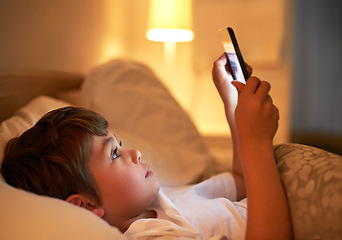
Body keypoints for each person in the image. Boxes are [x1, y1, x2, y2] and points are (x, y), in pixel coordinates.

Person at [1, 54, 292, 239]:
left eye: (121, 145)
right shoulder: (154, 236)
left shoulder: (164, 198)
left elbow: (242, 183)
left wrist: (233, 106)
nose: (134, 152)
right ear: (84, 205)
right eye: (114, 153)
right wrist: (256, 141)